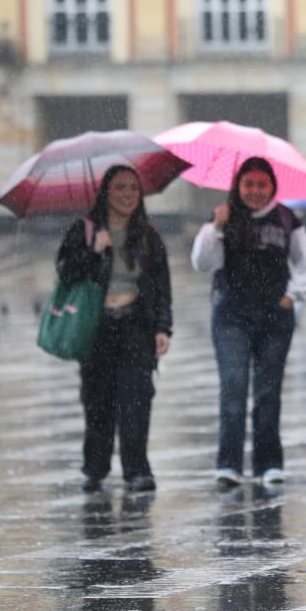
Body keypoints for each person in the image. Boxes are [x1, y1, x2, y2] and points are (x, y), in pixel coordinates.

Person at [191, 156, 306, 487]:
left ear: (272, 186)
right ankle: (228, 463)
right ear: (238, 186)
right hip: (231, 314)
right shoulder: (223, 216)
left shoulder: (287, 218)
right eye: (248, 184)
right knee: (233, 387)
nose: (255, 191)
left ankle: (268, 464)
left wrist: (294, 295)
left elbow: (305, 263)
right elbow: (203, 264)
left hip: (275, 315)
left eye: (262, 184)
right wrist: (216, 229)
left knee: (267, 391)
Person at [55, 165, 172, 494]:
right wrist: (93, 252)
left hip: (136, 326)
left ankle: (137, 470)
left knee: (137, 399)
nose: (128, 194)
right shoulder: (85, 230)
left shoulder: (148, 235)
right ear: (106, 192)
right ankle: (95, 467)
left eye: (133, 188)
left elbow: (161, 285)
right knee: (97, 402)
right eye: (120, 187)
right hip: (96, 328)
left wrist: (163, 327)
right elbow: (65, 272)